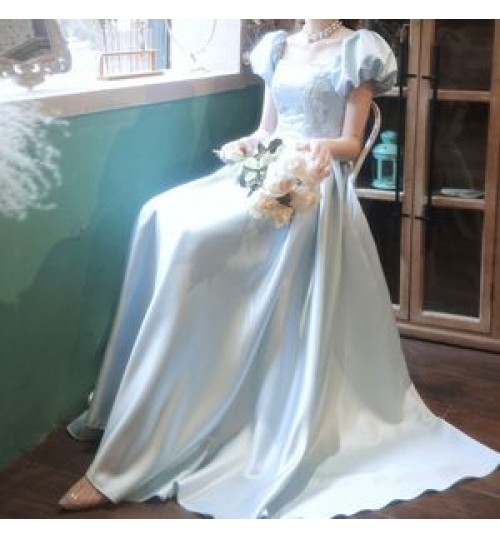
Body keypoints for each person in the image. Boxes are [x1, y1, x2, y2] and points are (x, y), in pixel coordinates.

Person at [59, 20, 498, 518]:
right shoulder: (276, 48)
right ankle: (153, 403)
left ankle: (175, 415)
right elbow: (266, 129)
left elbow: (350, 143)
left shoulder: (359, 50)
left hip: (313, 184)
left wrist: (314, 152)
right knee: (157, 214)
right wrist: (246, 147)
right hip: (268, 170)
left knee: (194, 240)